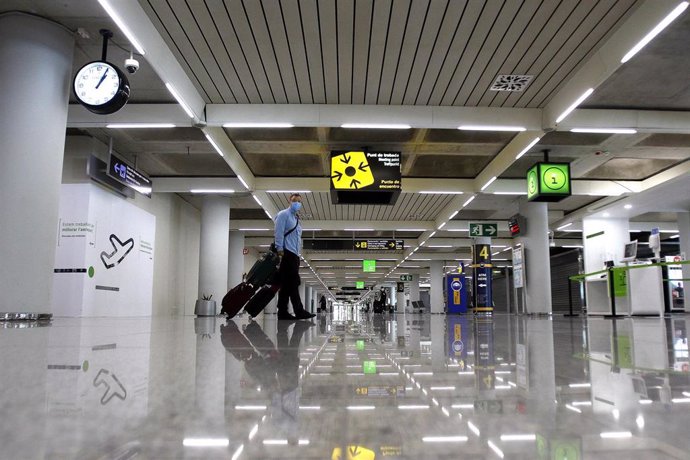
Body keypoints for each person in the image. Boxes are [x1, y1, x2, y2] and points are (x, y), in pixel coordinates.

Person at [274, 193, 315, 320]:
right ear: (289, 201)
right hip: (286, 253)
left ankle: (282, 312)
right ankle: (299, 310)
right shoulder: (283, 215)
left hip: (295, 255)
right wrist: (280, 250)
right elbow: (278, 232)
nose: (297, 203)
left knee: (287, 285)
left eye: (299, 201)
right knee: (294, 282)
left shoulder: (296, 219)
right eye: (294, 200)